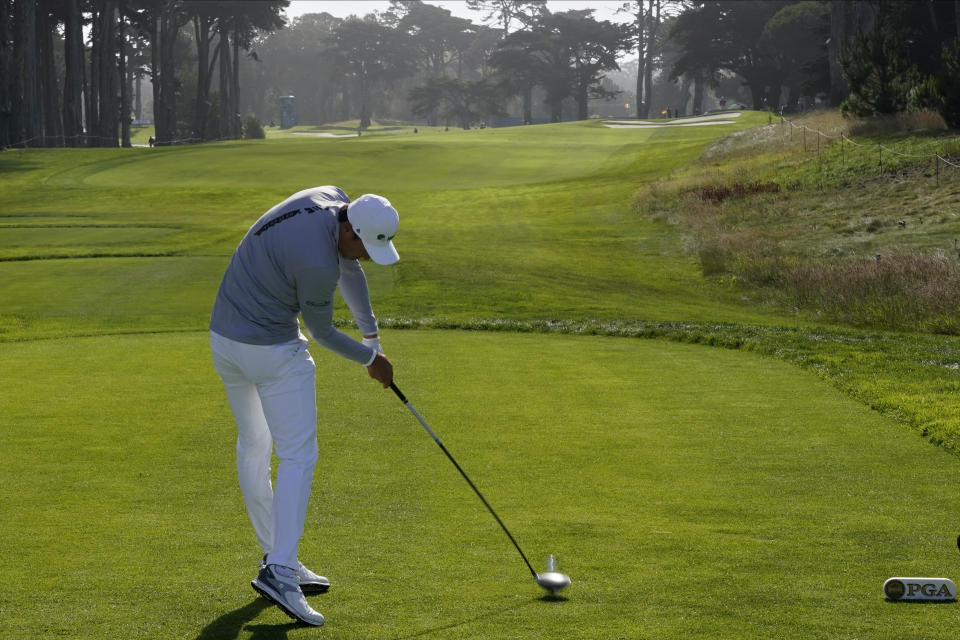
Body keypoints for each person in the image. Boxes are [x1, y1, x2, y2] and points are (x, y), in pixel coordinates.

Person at [209, 186, 399, 626]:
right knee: (299, 454)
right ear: (351, 228)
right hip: (270, 350)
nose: (367, 255)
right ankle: (279, 571)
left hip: (223, 340)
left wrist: (372, 337)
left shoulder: (331, 197)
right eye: (366, 246)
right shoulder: (315, 263)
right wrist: (372, 360)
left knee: (254, 443)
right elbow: (321, 332)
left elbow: (349, 267)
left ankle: (279, 559)